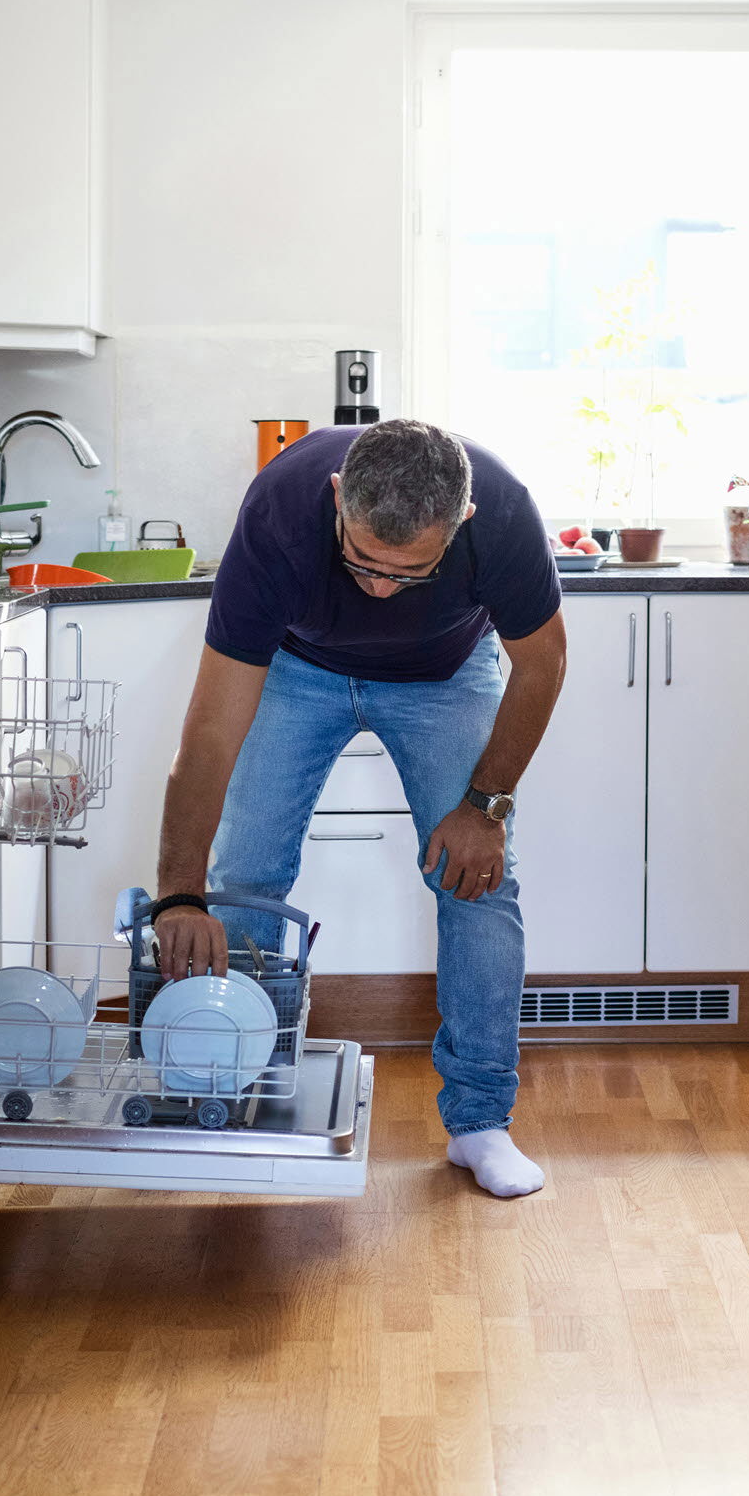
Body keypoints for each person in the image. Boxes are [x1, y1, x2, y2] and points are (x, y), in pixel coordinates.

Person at [152, 419, 568, 1198]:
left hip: (444, 672)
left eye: (408, 573)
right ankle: (229, 1094)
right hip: (298, 666)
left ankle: (481, 1123)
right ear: (339, 496)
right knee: (245, 873)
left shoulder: (503, 512)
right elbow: (209, 732)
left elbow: (543, 665)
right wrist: (179, 890)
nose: (379, 588)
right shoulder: (278, 514)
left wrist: (486, 807)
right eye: (361, 560)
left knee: (477, 878)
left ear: (462, 523)